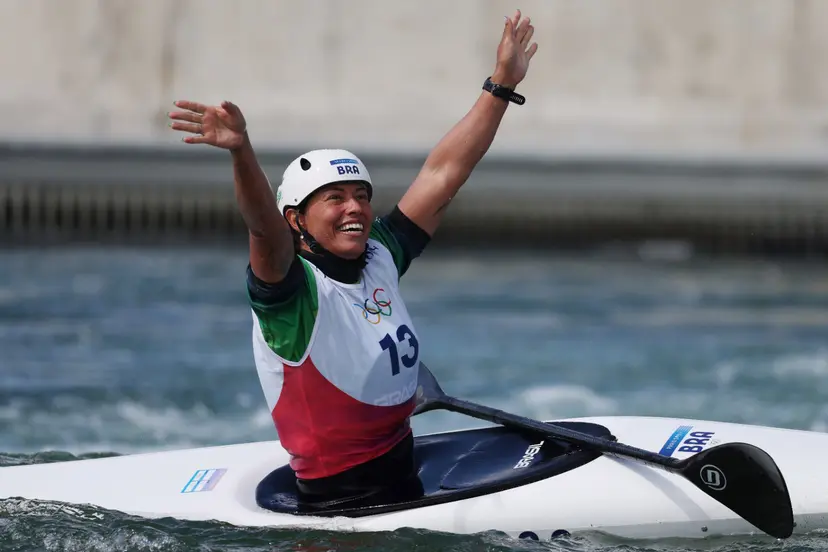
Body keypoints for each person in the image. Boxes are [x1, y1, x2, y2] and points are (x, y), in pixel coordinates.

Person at [167, 9, 538, 508]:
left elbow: (443, 174)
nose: (355, 208)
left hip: (405, 469)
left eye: (362, 195)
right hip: (342, 507)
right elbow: (263, 228)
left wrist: (501, 84)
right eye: (335, 198)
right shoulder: (290, 294)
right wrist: (241, 151)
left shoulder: (379, 254)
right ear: (297, 219)